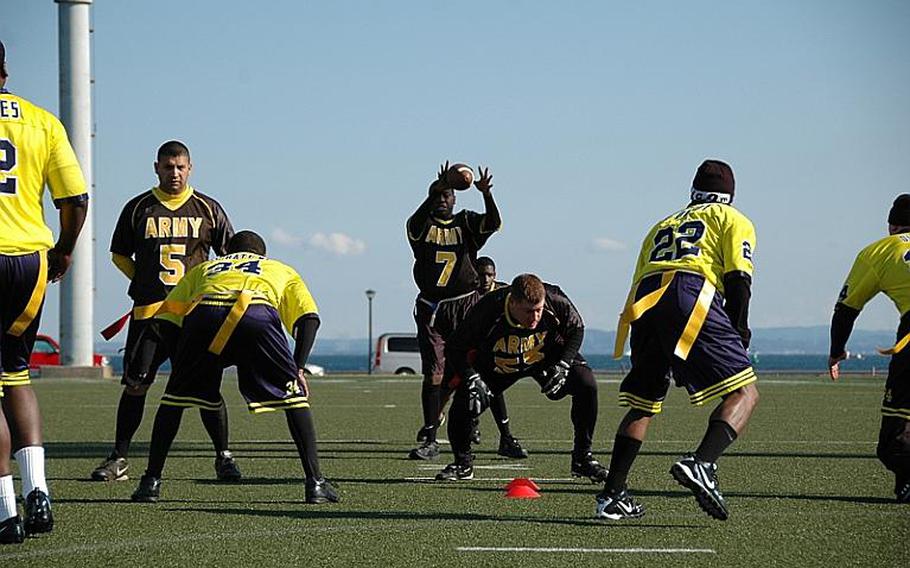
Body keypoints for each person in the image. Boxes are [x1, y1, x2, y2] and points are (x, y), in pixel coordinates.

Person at [596, 159, 759, 521]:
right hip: (690, 290)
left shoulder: (661, 224)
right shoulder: (733, 219)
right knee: (745, 391)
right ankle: (703, 463)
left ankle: (613, 494)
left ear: (693, 192)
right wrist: (739, 332)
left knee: (644, 402)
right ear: (729, 194)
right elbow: (739, 281)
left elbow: (640, 274)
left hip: (645, 300)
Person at [128, 231, 338, 504]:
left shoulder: (205, 268)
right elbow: (309, 319)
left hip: (205, 315)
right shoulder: (279, 269)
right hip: (256, 313)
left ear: (226, 253)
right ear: (262, 256)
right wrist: (297, 369)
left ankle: (150, 483)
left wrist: (181, 363)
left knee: (174, 401)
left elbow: (166, 319)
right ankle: (316, 484)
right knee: (295, 400)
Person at [92, 140, 238, 483]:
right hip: (150, 315)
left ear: (190, 169)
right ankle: (120, 458)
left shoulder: (208, 208)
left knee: (206, 388)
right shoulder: (138, 207)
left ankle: (224, 457)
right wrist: (142, 281)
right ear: (156, 167)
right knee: (136, 385)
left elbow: (231, 256)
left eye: (180, 167)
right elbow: (119, 254)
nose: (174, 173)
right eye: (168, 167)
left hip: (194, 315)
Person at [0, 39, 89, 539]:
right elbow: (75, 198)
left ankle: (5, 510)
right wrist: (64, 249)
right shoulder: (42, 120)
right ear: (5, 69)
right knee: (15, 374)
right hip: (31, 261)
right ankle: (39, 492)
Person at [435, 273, 608, 482]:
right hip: (499, 366)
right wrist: (471, 378)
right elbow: (455, 347)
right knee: (464, 403)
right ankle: (462, 463)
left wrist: (563, 365)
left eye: (539, 310)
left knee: (586, 383)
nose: (535, 317)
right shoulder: (489, 308)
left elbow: (577, 329)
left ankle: (583, 459)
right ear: (513, 302)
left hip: (544, 358)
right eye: (529, 311)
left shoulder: (555, 298)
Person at [406, 161, 500, 460]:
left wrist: (486, 194)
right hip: (432, 306)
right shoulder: (419, 225)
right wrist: (439, 185)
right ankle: (430, 436)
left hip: (466, 304)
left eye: (448, 195)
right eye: (438, 195)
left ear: (456, 199)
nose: (443, 199)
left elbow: (494, 223)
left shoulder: (467, 222)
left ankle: (480, 427)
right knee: (433, 374)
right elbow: (419, 216)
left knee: (477, 366)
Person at [828, 194, 910, 503]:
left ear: (892, 225)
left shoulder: (879, 251)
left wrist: (836, 351)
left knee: (893, 443)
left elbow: (846, 309)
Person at [432, 256, 528, 459]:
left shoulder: (506, 293)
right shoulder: (464, 294)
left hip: (491, 352)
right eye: (481, 274)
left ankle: (506, 438)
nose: (485, 279)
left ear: (495, 275)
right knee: (446, 390)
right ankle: (430, 436)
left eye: (489, 275)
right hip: (466, 352)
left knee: (493, 390)